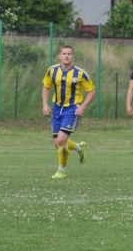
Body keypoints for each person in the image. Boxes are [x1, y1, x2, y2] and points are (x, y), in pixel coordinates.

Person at [41, 45, 95, 179]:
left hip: (72, 110)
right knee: (57, 144)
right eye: (64, 53)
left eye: (69, 54)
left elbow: (91, 91)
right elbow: (46, 87)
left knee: (61, 141)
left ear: (73, 57)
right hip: (57, 109)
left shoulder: (81, 73)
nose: (66, 56)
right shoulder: (52, 71)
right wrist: (45, 104)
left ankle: (61, 171)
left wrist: (82, 107)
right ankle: (79, 148)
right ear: (59, 56)